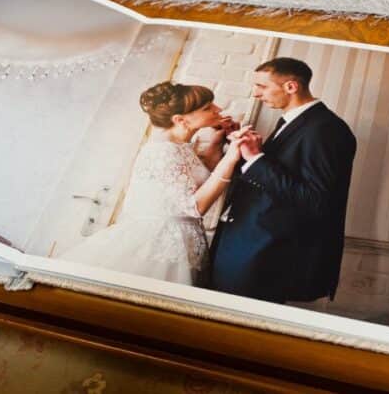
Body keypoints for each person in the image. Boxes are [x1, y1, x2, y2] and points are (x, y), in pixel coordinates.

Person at [60, 82, 244, 285]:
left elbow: (199, 178)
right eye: (207, 107)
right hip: (157, 245)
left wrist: (218, 142)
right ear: (180, 120)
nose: (218, 109)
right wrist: (232, 157)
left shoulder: (179, 146)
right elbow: (196, 206)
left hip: (183, 243)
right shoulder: (162, 152)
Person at [208, 57, 357, 304]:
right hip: (244, 244)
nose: (255, 94)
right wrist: (236, 146)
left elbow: (315, 200)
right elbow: (272, 180)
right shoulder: (292, 122)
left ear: (291, 87)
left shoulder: (325, 129)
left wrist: (257, 158)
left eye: (262, 86)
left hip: (266, 255)